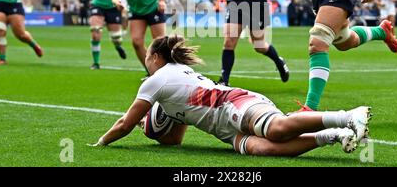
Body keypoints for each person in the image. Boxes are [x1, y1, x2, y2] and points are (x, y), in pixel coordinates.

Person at [89, 34, 372, 158]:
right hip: (222, 128)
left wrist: (101, 142)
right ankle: (334, 135)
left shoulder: (156, 79)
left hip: (232, 103)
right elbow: (174, 140)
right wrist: (155, 124)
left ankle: (349, 116)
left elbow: (124, 124)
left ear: (154, 57)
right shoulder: (170, 79)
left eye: (148, 57)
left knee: (276, 130)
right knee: (264, 150)